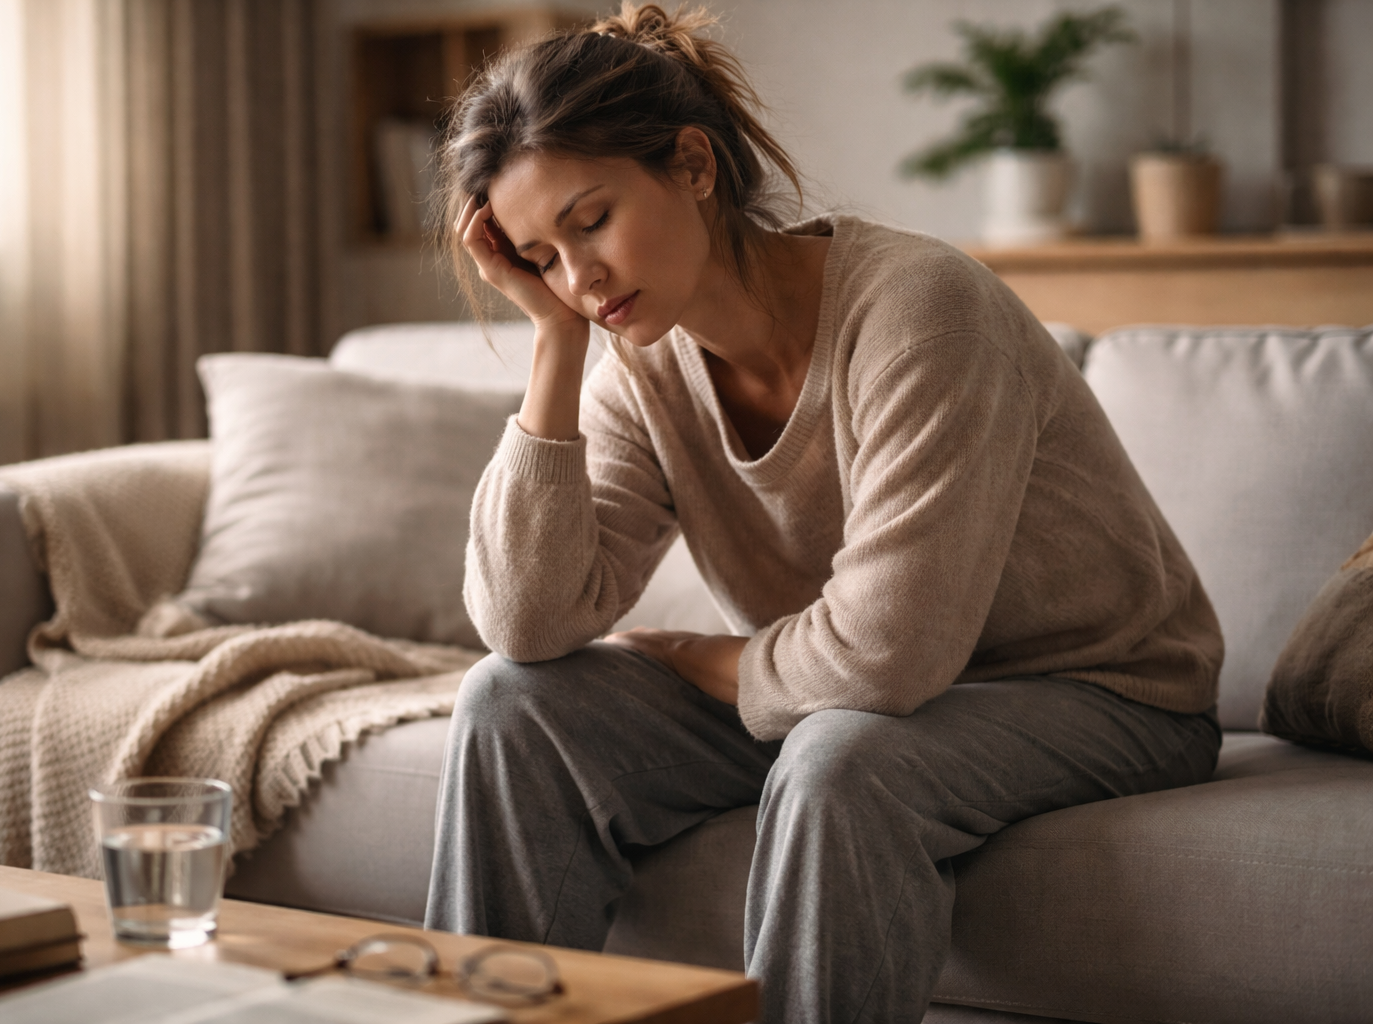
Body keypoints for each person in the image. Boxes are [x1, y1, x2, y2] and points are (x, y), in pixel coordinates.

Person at [425, 5, 1224, 1022]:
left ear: (694, 165)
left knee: (843, 757)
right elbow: (527, 623)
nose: (579, 278)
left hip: (1104, 692)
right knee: (509, 701)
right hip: (848, 691)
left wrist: (703, 659)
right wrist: (553, 345)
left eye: (592, 220)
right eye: (540, 256)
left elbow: (887, 654)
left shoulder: (921, 309)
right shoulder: (635, 360)